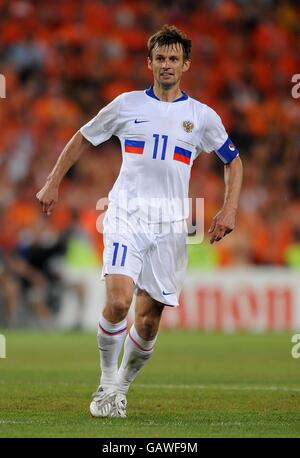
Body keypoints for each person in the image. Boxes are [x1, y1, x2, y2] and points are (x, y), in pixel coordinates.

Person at [36, 25, 243, 418]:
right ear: (149, 63)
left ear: (186, 65)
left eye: (173, 59)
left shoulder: (201, 116)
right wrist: (52, 182)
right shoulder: (127, 104)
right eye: (160, 58)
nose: (167, 65)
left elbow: (233, 161)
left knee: (147, 323)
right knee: (118, 301)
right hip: (125, 215)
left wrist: (229, 208)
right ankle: (106, 385)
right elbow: (82, 136)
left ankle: (121, 387)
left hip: (170, 226)